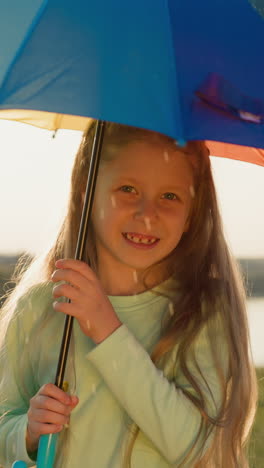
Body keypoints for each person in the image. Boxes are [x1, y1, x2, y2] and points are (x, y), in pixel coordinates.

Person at [0, 120, 258, 468]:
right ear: (85, 192)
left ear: (191, 214)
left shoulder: (203, 313)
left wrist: (107, 331)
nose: (147, 213)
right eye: (127, 189)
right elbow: (5, 424)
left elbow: (202, 451)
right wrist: (26, 433)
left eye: (170, 196)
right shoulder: (42, 307)